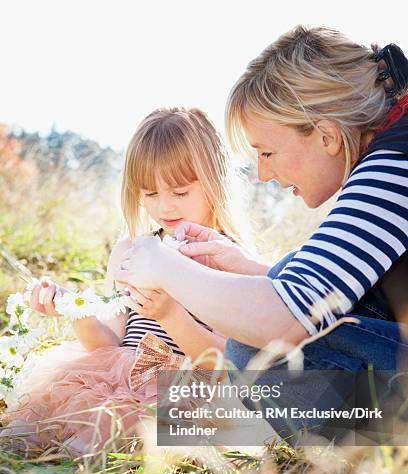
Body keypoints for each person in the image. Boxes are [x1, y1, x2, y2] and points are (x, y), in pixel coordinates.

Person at [114, 26, 408, 446]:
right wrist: (249, 268)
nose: (264, 174)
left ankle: (200, 431)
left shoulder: (393, 168)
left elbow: (284, 321)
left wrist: (160, 264)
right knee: (281, 280)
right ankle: (195, 429)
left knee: (257, 352)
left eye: (267, 152)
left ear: (326, 135)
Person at [0, 107, 245, 455]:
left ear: (214, 182)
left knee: (92, 441)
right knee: (29, 430)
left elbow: (226, 363)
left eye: (179, 192)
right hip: (118, 375)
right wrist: (76, 311)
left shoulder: (228, 260)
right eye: (150, 193)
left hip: (184, 389)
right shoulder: (131, 251)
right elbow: (108, 346)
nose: (164, 207)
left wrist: (171, 317)